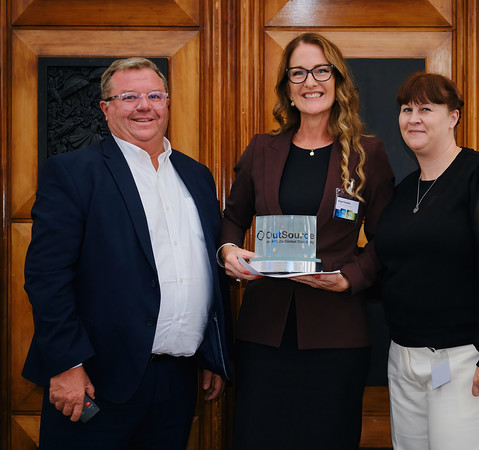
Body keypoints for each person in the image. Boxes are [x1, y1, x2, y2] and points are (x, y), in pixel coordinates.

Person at [22, 57, 232, 450]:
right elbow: (46, 277)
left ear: (168, 103)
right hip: (95, 380)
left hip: (178, 382)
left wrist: (210, 354)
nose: (144, 106)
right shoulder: (72, 172)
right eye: (129, 96)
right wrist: (67, 365)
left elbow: (202, 270)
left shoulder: (197, 176)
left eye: (154, 95)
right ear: (106, 108)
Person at [219, 33, 395, 450]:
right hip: (263, 332)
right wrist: (228, 250)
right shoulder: (263, 149)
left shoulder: (367, 153)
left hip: (337, 332)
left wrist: (350, 278)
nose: (310, 81)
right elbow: (232, 219)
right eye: (298, 72)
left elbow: (388, 239)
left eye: (320, 70)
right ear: (287, 87)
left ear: (337, 81)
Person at [374, 72, 479, 450]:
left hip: (466, 361)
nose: (413, 118)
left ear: (454, 117)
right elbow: (394, 269)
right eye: (407, 109)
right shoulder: (404, 190)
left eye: (426, 108)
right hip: (405, 358)